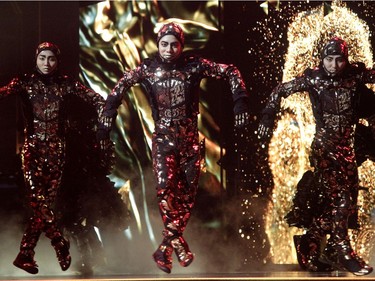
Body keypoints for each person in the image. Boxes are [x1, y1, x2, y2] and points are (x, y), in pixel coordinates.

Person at [98, 22, 249, 273]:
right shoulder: (147, 68)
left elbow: (230, 71)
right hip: (163, 141)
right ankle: (176, 242)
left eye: (174, 44)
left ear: (181, 45)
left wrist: (240, 102)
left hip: (190, 141)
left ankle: (166, 247)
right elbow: (119, 87)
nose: (169, 49)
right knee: (165, 189)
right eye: (164, 44)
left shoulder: (193, 66)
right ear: (158, 44)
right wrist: (108, 116)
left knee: (187, 197)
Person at [258, 37, 375, 276]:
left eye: (339, 60)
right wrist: (268, 114)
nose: (334, 65)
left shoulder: (354, 78)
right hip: (324, 148)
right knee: (341, 199)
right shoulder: (313, 79)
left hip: (347, 148)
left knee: (346, 205)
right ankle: (343, 251)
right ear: (322, 60)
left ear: (346, 60)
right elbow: (281, 89)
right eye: (329, 60)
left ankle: (310, 244)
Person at [0, 42, 108, 274]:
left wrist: (104, 114)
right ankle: (59, 243)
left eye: (51, 59)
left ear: (57, 61)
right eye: (42, 58)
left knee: (43, 205)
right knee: (38, 200)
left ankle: (26, 254)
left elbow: (96, 98)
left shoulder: (66, 83)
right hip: (32, 150)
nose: (46, 63)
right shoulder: (24, 83)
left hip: (57, 150)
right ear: (35, 59)